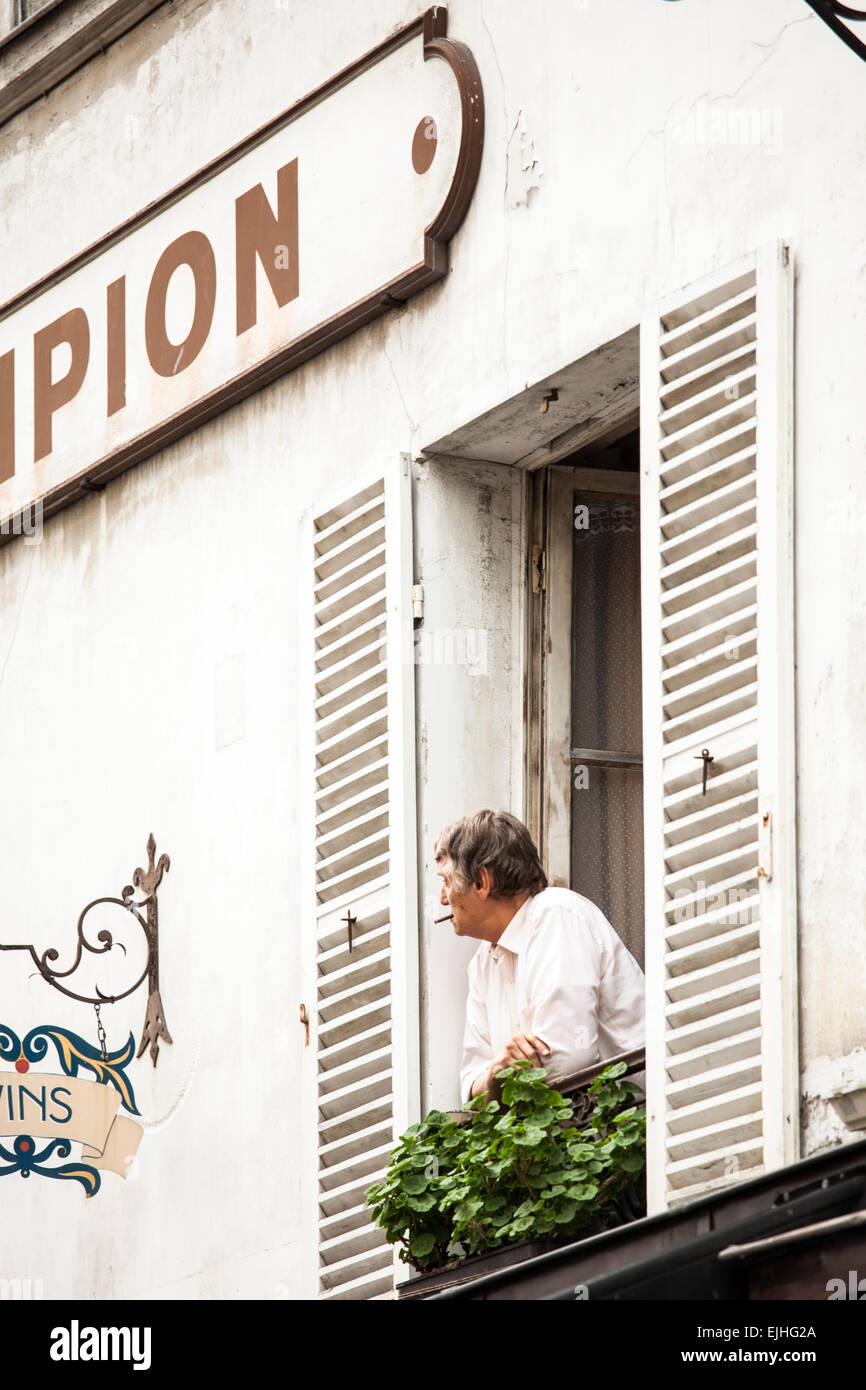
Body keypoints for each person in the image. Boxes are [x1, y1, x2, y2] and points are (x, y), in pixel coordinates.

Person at [435, 809, 645, 1105]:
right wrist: (497, 1073)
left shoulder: (556, 913)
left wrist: (499, 1078)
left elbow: (566, 1058)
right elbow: (471, 1087)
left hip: (637, 1129)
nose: (443, 898)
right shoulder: (482, 963)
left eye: (446, 881)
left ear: (481, 881)